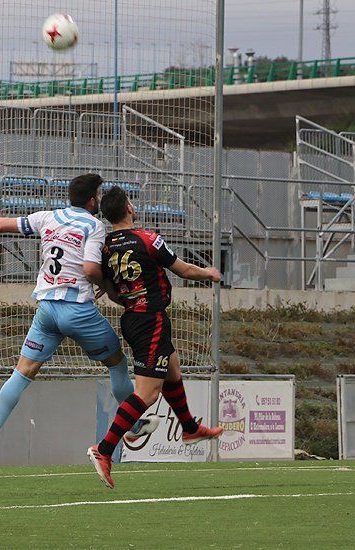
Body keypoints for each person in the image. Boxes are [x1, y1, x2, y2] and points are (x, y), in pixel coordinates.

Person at [0, 173, 154, 460]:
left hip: (46, 310)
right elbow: (91, 268)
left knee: (22, 372)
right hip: (78, 311)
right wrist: (105, 286)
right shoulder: (93, 226)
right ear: (93, 199)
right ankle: (134, 426)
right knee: (117, 364)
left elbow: (1, 225)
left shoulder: (47, 217)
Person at [86, 186, 224, 488]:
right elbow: (184, 270)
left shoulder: (105, 247)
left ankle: (188, 428)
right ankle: (104, 449)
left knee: (173, 368)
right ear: (129, 208)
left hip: (133, 317)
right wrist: (210, 273)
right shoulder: (147, 239)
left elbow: (108, 287)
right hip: (150, 319)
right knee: (148, 394)